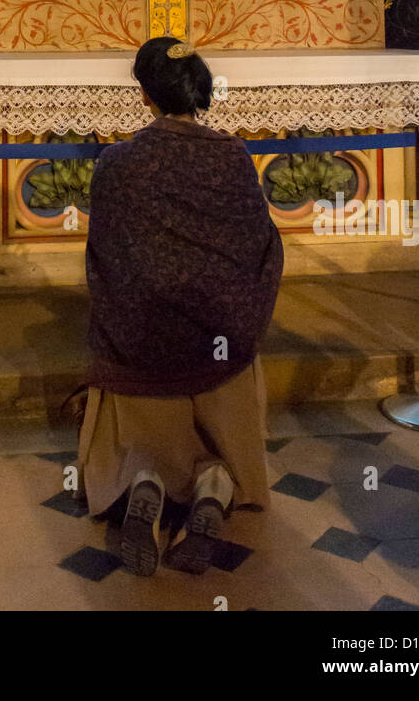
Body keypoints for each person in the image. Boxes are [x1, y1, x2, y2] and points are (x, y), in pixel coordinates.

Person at [77, 35, 283, 576]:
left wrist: (128, 306)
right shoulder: (232, 155)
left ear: (145, 95)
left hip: (142, 342)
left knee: (128, 310)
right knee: (225, 339)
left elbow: (105, 258)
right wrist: (238, 311)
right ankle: (216, 482)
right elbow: (262, 249)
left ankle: (142, 476)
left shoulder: (118, 162)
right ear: (200, 89)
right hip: (219, 343)